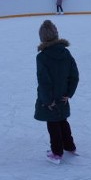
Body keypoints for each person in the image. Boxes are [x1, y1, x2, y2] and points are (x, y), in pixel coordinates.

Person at [34, 20, 79, 164]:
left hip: (50, 99)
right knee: (63, 121)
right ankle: (69, 146)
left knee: (53, 124)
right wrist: (69, 93)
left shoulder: (42, 57)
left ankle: (57, 152)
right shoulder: (65, 52)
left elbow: (44, 81)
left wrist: (47, 100)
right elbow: (74, 75)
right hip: (63, 96)